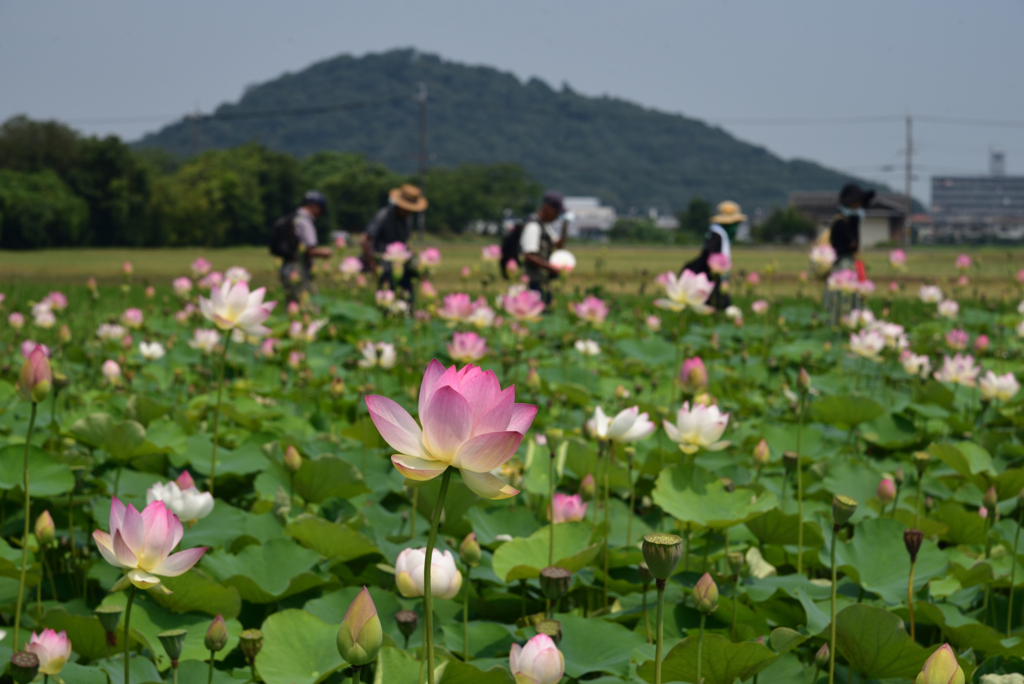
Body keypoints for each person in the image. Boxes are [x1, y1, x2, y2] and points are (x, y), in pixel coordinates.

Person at [362, 184, 428, 296]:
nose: (408, 211)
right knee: (387, 299)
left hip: (403, 266)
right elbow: (365, 239)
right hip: (385, 266)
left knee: (407, 299)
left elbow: (405, 243)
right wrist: (372, 263)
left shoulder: (408, 218)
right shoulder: (384, 215)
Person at [823, 183, 875, 322]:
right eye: (856, 201)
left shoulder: (843, 220)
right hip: (843, 265)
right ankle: (842, 323)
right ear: (850, 202)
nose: (859, 204)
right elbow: (853, 245)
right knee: (845, 298)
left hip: (842, 264)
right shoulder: (842, 222)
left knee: (842, 298)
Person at [681, 200, 746, 311]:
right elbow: (710, 257)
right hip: (709, 280)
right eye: (736, 224)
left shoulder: (715, 234)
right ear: (729, 225)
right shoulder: (717, 237)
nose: (737, 228)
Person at [277, 191, 333, 302]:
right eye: (320, 210)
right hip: (299, 269)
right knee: (309, 306)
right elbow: (310, 250)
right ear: (315, 206)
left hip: (285, 268)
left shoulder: (291, 218)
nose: (319, 215)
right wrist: (325, 252)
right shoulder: (305, 222)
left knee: (292, 305)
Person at [520, 191, 569, 303]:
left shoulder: (545, 226)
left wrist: (565, 227)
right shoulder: (533, 226)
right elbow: (529, 256)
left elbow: (559, 246)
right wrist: (552, 268)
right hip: (532, 282)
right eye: (556, 212)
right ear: (547, 207)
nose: (556, 216)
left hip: (542, 281)